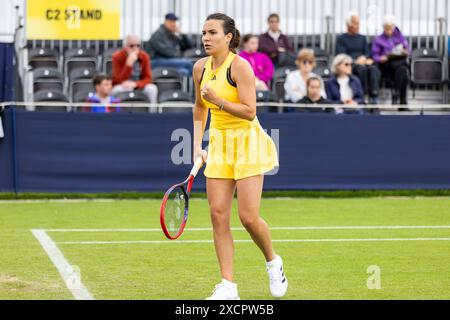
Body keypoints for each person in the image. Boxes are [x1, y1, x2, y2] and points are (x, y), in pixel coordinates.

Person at [193, 13, 286, 300]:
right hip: (219, 144)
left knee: (247, 217)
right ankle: (228, 286)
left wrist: (219, 100)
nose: (206, 38)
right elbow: (199, 108)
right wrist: (198, 146)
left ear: (228, 37)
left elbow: (250, 111)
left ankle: (272, 261)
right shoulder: (200, 68)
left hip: (248, 143)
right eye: (204, 33)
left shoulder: (241, 67)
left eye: (212, 33)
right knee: (218, 214)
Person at [336, 11, 381, 104]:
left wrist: (365, 58)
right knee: (361, 70)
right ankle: (362, 96)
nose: (358, 25)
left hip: (363, 62)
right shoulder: (341, 39)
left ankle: (374, 96)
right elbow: (341, 54)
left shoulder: (362, 38)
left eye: (358, 23)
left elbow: (367, 52)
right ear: (348, 24)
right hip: (350, 64)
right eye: (355, 23)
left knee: (374, 69)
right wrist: (355, 61)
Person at [371, 14, 410, 105]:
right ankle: (402, 102)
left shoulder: (400, 36)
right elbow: (374, 55)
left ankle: (396, 93)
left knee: (402, 70)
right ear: (383, 27)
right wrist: (381, 58)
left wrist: (405, 51)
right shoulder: (378, 39)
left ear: (393, 27)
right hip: (386, 66)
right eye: (386, 28)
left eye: (390, 28)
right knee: (402, 69)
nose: (388, 30)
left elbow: (408, 50)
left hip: (398, 63)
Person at [111, 34, 158, 104]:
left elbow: (148, 78)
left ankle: (152, 113)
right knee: (116, 90)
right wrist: (128, 65)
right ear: (125, 46)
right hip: (123, 85)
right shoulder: (117, 56)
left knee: (152, 89)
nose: (135, 48)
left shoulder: (144, 56)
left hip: (139, 85)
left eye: (138, 45)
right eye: (131, 46)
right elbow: (117, 80)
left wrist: (136, 84)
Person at [147, 13, 195, 77]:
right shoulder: (158, 34)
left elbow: (189, 46)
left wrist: (181, 34)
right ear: (165, 21)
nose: (173, 24)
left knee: (184, 71)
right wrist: (178, 54)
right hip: (155, 61)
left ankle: (186, 86)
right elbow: (167, 52)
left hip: (168, 61)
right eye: (171, 21)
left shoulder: (171, 34)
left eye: (174, 21)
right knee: (188, 63)